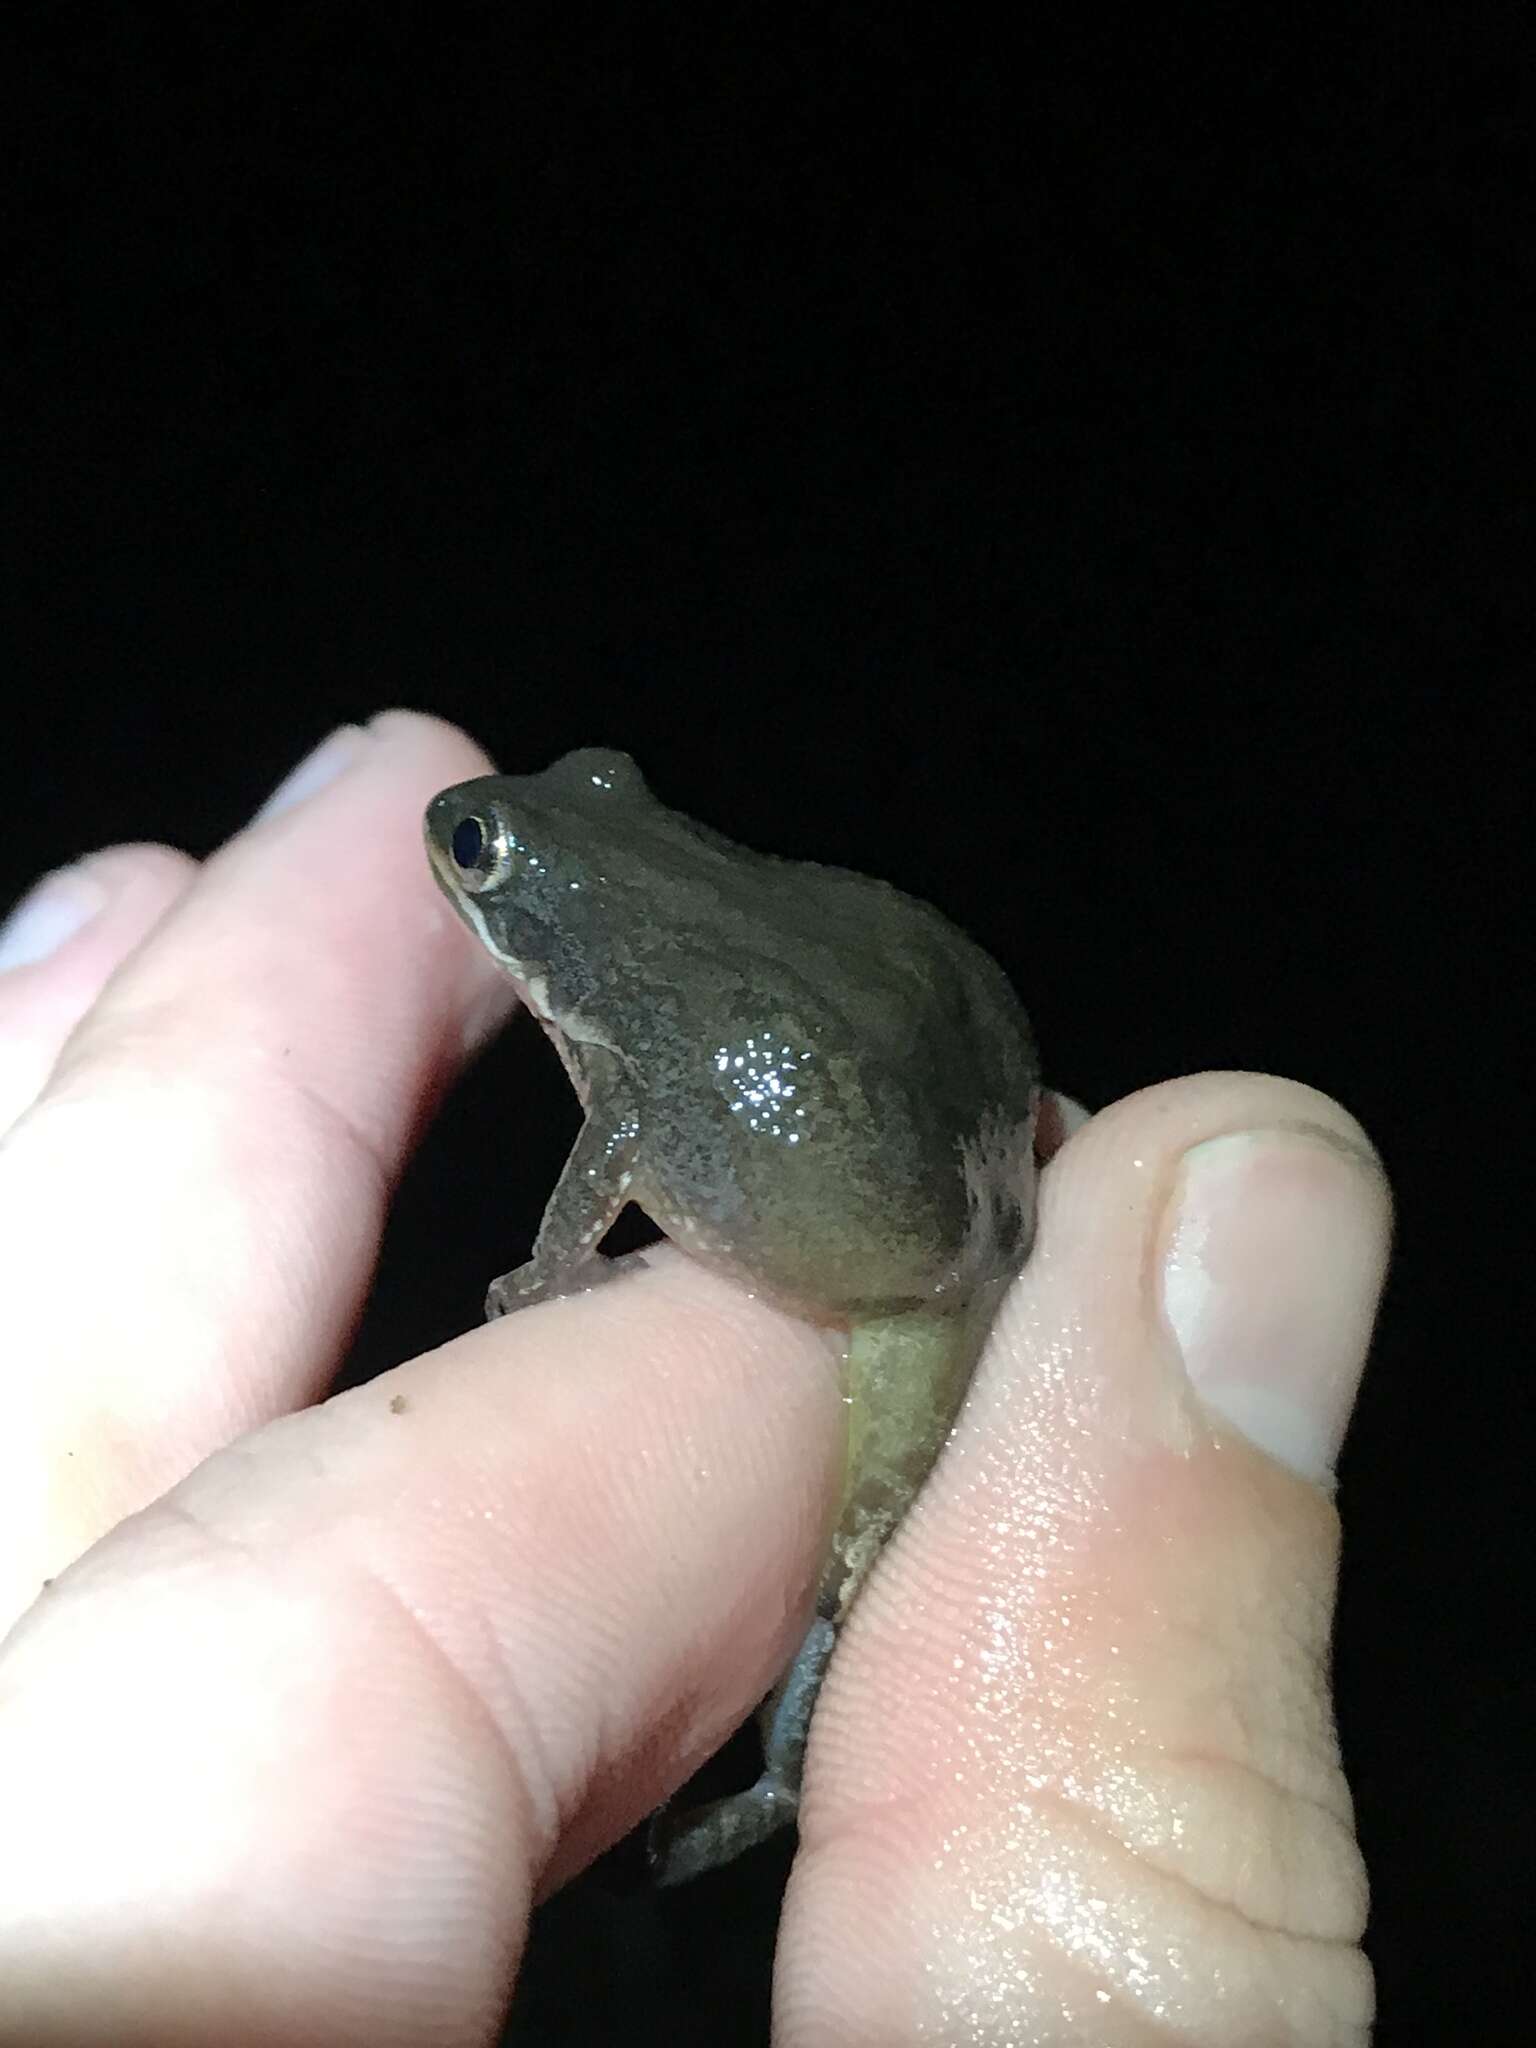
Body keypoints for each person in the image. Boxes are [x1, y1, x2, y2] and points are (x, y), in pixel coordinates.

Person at [0, 712, 1390, 2044]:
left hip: (863, 1202)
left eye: (478, 858)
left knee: (855, 1519)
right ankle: (780, 1756)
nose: (468, 847)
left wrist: (552, 1268)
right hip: (948, 1116)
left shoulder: (601, 986)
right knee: (859, 1523)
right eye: (486, 848)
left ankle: (781, 1767)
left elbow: (627, 1126)